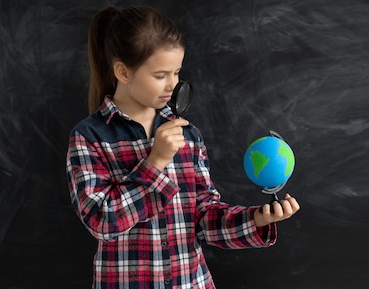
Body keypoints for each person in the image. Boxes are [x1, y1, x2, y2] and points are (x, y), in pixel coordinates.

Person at [66, 5, 300, 289]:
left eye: (176, 72)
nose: (172, 85)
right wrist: (155, 163)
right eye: (160, 75)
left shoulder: (188, 135)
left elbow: (203, 218)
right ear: (123, 73)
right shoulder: (89, 137)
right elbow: (101, 222)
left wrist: (256, 220)